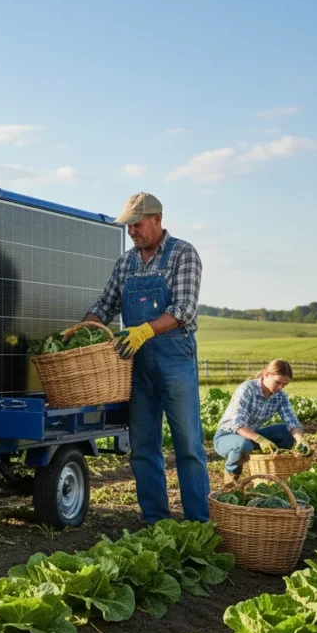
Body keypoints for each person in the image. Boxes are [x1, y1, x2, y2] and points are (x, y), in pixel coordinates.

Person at [83, 192, 209, 523]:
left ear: (156, 219)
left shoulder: (183, 254)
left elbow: (182, 309)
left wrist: (143, 331)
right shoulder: (125, 263)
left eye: (136, 225)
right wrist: (85, 328)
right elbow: (105, 305)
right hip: (135, 362)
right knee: (142, 446)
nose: (132, 232)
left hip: (174, 356)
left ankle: (198, 523)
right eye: (128, 227)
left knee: (188, 446)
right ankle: (156, 522)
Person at [213, 359, 312, 485]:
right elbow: (237, 424)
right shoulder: (247, 389)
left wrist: (299, 439)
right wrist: (260, 439)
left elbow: (292, 421)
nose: (280, 387)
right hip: (227, 437)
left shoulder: (279, 396)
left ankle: (270, 470)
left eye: (284, 385)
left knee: (287, 433)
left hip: (251, 436)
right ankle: (231, 476)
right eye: (278, 382)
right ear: (266, 374)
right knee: (243, 445)